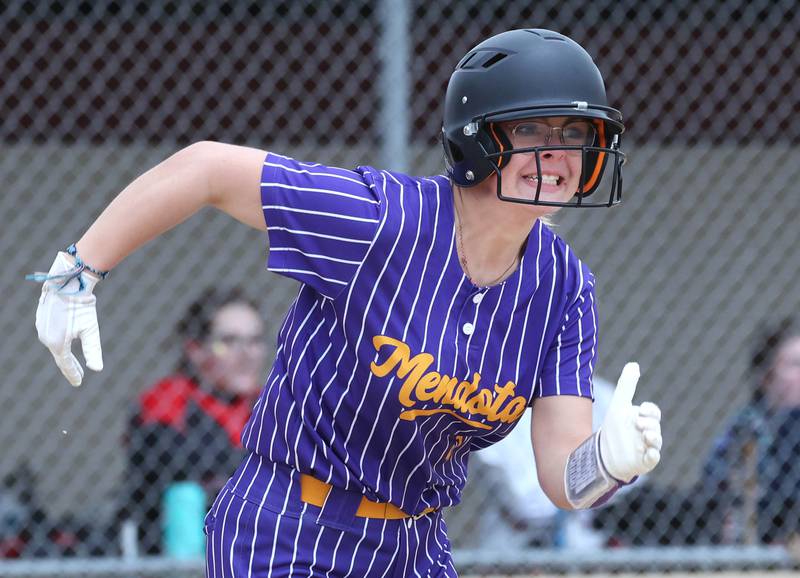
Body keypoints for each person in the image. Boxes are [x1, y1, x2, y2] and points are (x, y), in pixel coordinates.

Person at [29, 29, 662, 577]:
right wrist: (78, 272)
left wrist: (610, 461)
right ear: (478, 138)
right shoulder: (385, 220)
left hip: (413, 544)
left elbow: (561, 476)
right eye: (533, 130)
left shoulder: (564, 288)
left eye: (577, 134)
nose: (558, 155)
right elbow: (208, 169)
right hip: (291, 529)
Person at [122, 286, 266, 554]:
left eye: (255, 341)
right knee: (186, 496)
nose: (247, 354)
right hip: (178, 545)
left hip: (255, 542)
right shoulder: (169, 397)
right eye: (229, 342)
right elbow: (175, 464)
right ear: (196, 350)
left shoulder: (270, 405)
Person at [700, 317, 800, 545]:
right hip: (763, 530)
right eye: (795, 364)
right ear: (767, 377)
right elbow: (716, 479)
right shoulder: (749, 424)